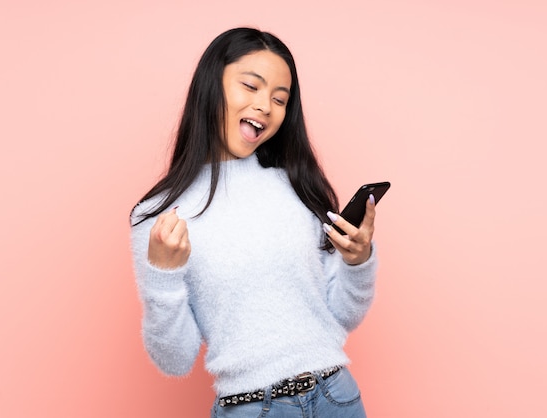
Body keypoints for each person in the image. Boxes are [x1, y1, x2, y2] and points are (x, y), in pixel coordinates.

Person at [130, 27, 379, 418]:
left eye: (280, 99)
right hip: (251, 409)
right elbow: (174, 360)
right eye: (251, 86)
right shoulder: (159, 215)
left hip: (337, 397)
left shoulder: (297, 187)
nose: (266, 106)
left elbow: (343, 316)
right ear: (211, 86)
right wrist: (162, 275)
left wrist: (357, 262)